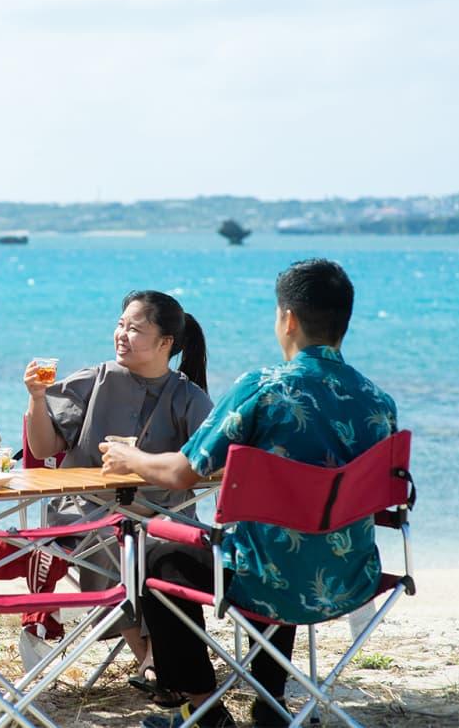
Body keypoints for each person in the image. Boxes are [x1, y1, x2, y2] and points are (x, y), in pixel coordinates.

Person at [100, 259, 398, 728]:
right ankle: (270, 701)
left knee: (158, 554)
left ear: (289, 319)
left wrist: (129, 460)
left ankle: (201, 708)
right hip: (349, 577)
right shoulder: (379, 402)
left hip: (267, 577)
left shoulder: (263, 388)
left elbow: (182, 471)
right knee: (290, 535)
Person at [11, 290, 213, 698]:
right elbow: (45, 447)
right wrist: (36, 399)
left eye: (134, 329)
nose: (121, 334)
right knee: (116, 538)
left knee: (157, 546)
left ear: (165, 343)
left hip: (161, 516)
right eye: (120, 324)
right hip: (83, 511)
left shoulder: (188, 396)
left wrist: (144, 463)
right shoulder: (94, 379)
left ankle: (158, 664)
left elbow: (216, 458)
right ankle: (154, 658)